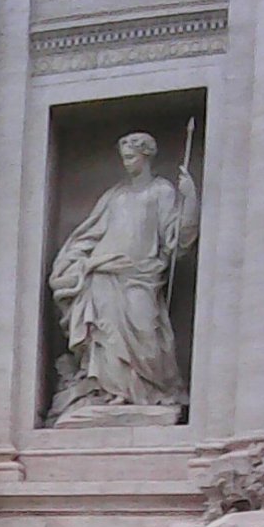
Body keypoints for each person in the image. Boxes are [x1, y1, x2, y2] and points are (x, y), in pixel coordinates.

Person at [49, 132, 199, 410]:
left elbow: (176, 239)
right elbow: (89, 234)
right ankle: (111, 392)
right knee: (106, 336)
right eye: (124, 159)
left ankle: (150, 392)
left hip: (141, 274)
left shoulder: (161, 191)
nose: (127, 164)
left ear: (146, 156)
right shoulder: (114, 196)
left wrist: (189, 200)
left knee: (146, 332)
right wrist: (82, 262)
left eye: (131, 158)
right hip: (104, 274)